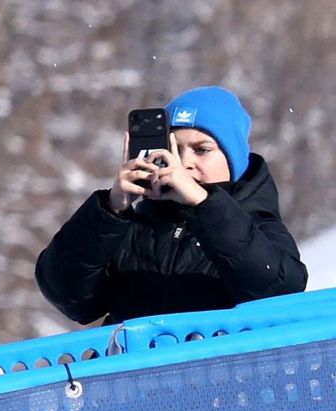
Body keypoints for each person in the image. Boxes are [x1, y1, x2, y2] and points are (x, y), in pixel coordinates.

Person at [35, 86, 306, 325]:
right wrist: (110, 210)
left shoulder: (256, 223)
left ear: (232, 158)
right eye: (173, 149)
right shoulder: (129, 226)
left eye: (202, 150)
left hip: (222, 367)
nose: (184, 163)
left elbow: (280, 292)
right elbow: (69, 297)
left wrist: (204, 204)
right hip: (137, 367)